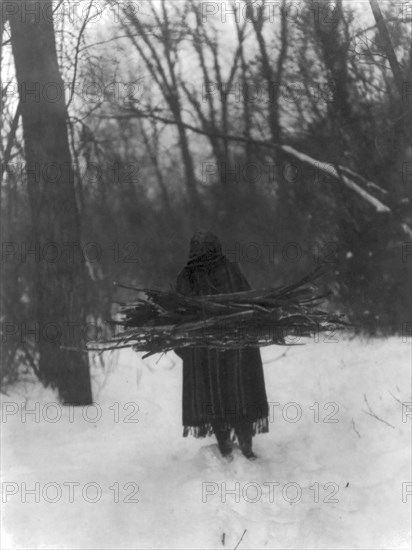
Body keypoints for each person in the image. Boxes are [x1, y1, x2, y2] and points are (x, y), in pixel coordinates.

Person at [175, 231, 269, 460]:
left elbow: (177, 319)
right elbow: (250, 305)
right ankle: (245, 445)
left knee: (213, 399)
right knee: (240, 396)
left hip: (204, 354)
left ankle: (225, 444)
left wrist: (187, 350)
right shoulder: (230, 271)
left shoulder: (186, 277)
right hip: (237, 350)